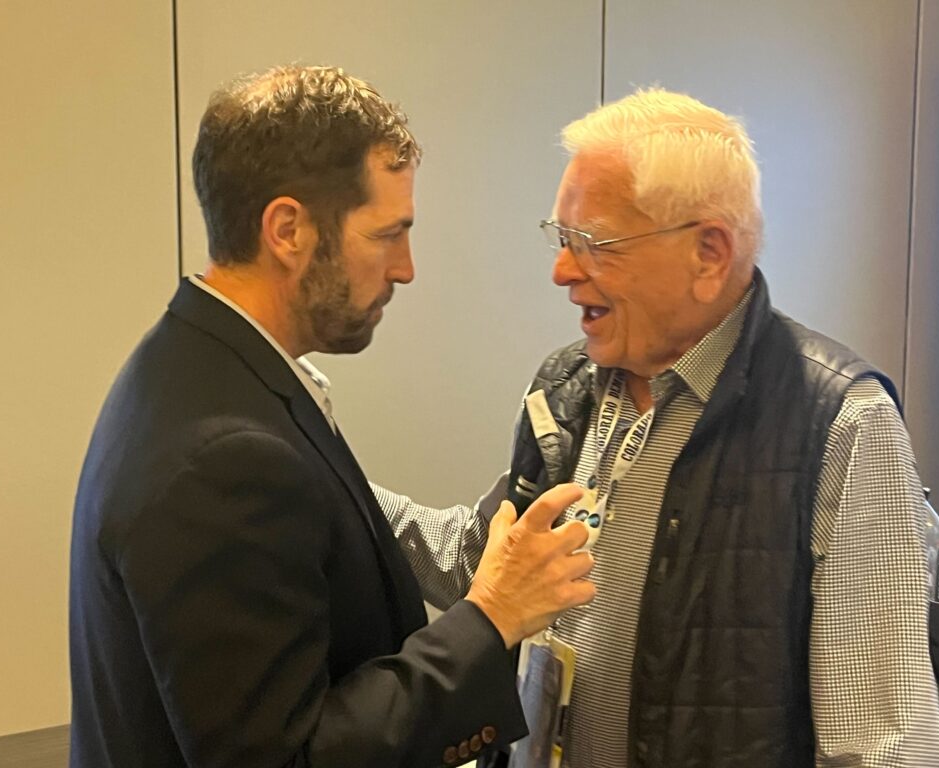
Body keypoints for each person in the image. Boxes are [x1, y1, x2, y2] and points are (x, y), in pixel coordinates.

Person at [374, 89, 939, 767]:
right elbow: (487, 560)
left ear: (709, 253)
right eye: (561, 239)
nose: (561, 271)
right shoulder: (567, 388)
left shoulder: (842, 425)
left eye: (592, 244)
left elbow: (883, 747)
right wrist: (328, 477)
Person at [68, 65, 596, 768]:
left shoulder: (193, 367)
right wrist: (491, 618)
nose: (405, 268)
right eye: (387, 234)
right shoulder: (224, 456)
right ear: (288, 229)